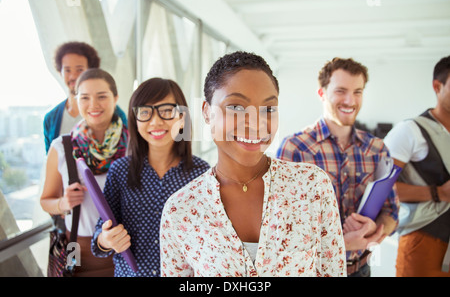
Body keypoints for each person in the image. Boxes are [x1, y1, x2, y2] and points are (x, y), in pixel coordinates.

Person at [160, 51, 346, 277]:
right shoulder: (181, 209)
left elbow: (333, 272)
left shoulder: (312, 186)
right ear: (207, 113)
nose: (257, 124)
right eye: (236, 107)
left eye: (268, 109)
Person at [277, 57, 399, 277]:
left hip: (361, 269)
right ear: (322, 93)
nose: (350, 101)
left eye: (358, 91)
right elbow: (280, 225)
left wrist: (375, 229)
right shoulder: (294, 148)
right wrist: (341, 243)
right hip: (312, 271)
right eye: (341, 91)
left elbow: (391, 211)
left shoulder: (377, 148)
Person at [91, 78, 210, 277]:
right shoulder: (120, 171)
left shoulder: (201, 173)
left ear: (182, 117)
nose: (155, 121)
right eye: (145, 112)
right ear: (135, 120)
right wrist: (106, 239)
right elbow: (99, 236)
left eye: (166, 110)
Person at [40, 68, 128, 277]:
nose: (93, 105)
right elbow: (46, 201)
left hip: (125, 245)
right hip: (76, 246)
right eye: (85, 97)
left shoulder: (134, 143)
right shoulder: (61, 147)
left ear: (115, 98)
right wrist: (63, 203)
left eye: (102, 96)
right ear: (76, 100)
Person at [384, 56, 450, 277]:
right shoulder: (410, 131)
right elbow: (379, 188)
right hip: (425, 238)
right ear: (437, 86)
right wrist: (438, 192)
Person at [43, 41, 127, 153]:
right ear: (60, 72)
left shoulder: (116, 114)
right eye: (67, 70)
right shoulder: (51, 118)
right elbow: (50, 158)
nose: (73, 76)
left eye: (79, 70)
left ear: (92, 72)